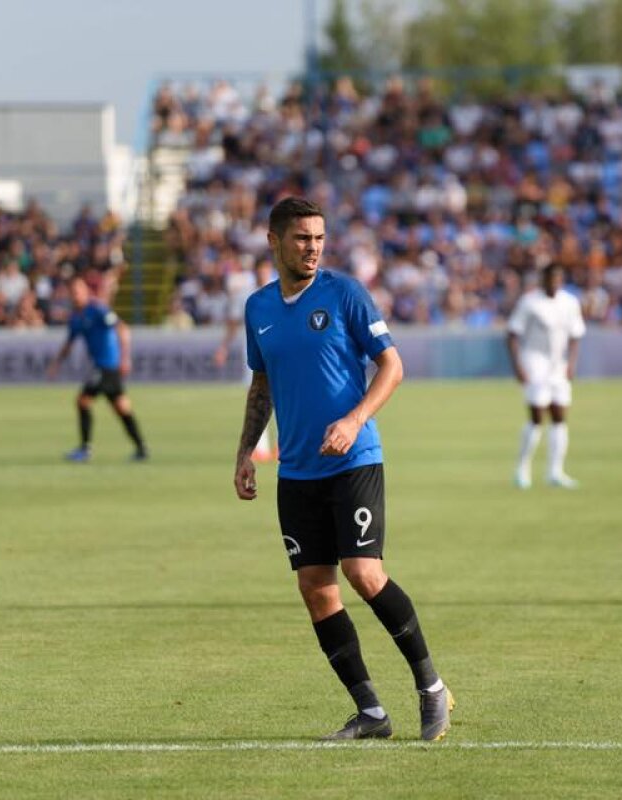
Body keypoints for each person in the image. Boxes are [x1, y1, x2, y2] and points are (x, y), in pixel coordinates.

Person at [232, 197, 453, 741]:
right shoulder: (258, 308)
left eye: (319, 239)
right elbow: (261, 385)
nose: (313, 248)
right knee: (315, 587)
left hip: (355, 458)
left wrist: (355, 420)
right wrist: (245, 451)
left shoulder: (344, 294)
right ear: (274, 241)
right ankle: (371, 712)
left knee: (363, 573)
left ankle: (432, 687)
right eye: (302, 238)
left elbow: (392, 366)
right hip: (298, 469)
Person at [46, 274, 148, 462]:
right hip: (105, 367)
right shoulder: (77, 318)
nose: (76, 295)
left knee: (82, 401)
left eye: (79, 290)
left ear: (86, 291)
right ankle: (141, 448)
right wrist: (56, 363)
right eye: (73, 292)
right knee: (121, 407)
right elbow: (69, 344)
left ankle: (85, 449)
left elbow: (123, 329)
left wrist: (125, 358)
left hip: (107, 365)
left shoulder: (98, 311)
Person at [506, 263, 586, 489]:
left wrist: (571, 364)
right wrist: (518, 366)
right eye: (550, 278)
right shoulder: (530, 302)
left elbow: (575, 335)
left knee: (560, 416)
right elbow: (512, 334)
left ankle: (555, 471)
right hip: (535, 362)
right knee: (536, 416)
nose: (554, 282)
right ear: (543, 280)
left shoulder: (570, 302)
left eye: (557, 278)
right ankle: (522, 469)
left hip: (557, 366)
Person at [213, 259, 275, 462]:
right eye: (260, 271)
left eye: (266, 270)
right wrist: (223, 348)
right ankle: (261, 446)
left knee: (283, 395)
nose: (263, 274)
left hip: (279, 350)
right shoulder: (246, 296)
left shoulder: (283, 290)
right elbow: (233, 323)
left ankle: (283, 445)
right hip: (254, 352)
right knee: (258, 393)